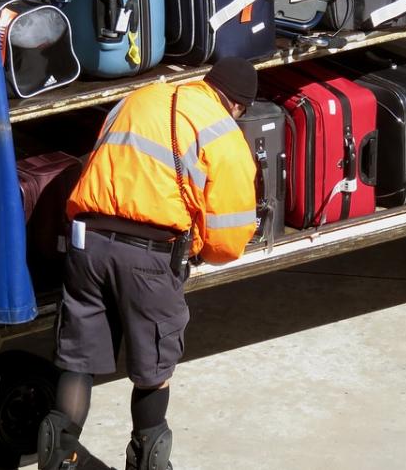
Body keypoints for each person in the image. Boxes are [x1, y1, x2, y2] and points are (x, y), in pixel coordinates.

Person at [37, 57, 259, 470]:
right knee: (154, 366)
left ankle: (59, 455)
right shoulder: (222, 132)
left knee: (78, 358)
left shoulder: (139, 98)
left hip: (86, 243)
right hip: (149, 255)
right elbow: (228, 242)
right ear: (237, 106)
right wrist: (199, 249)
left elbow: (101, 156)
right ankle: (148, 460)